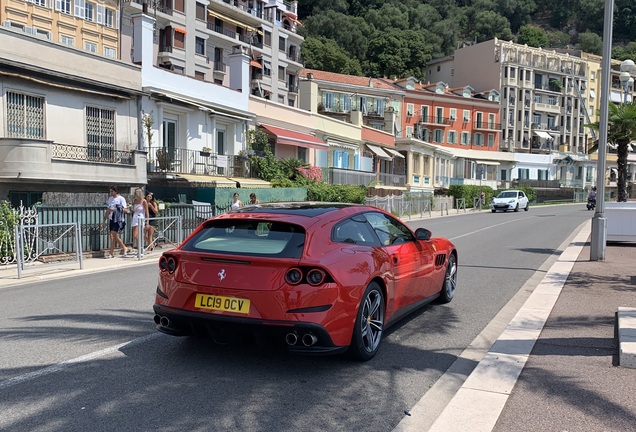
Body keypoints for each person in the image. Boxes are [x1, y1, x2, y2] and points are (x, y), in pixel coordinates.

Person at [101, 186, 130, 258]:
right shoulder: (110, 199)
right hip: (112, 218)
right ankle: (112, 253)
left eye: (112, 191)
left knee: (114, 234)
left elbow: (125, 209)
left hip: (118, 219)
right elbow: (108, 210)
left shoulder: (121, 199)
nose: (111, 193)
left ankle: (124, 247)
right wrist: (104, 220)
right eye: (110, 191)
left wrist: (116, 209)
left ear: (116, 191)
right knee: (111, 236)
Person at [131, 187, 149, 252]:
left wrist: (147, 222)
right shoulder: (134, 201)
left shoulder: (144, 201)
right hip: (135, 217)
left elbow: (147, 212)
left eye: (135, 193)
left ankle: (140, 249)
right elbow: (133, 210)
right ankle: (140, 249)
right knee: (135, 235)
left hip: (141, 217)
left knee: (138, 235)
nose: (134, 194)